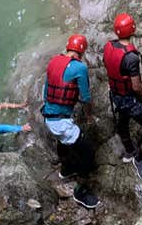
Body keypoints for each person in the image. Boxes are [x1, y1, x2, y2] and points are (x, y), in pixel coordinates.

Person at [41, 34, 99, 209]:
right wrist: (89, 117)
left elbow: (46, 90)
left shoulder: (53, 61)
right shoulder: (79, 68)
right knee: (88, 152)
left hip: (49, 118)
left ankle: (65, 170)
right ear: (81, 52)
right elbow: (86, 97)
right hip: (61, 123)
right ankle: (80, 192)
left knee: (64, 142)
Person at [102, 13, 142, 183]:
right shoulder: (131, 57)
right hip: (128, 98)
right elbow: (136, 86)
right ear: (132, 30)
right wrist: (141, 95)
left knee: (123, 119)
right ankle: (139, 158)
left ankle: (129, 149)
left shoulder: (108, 46)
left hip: (115, 93)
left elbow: (108, 65)